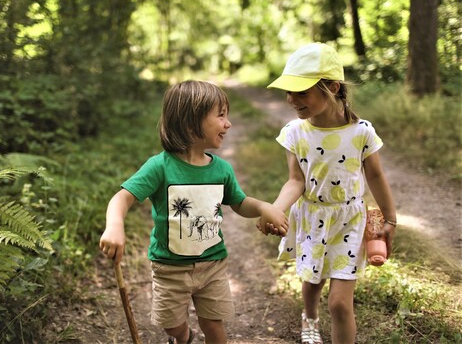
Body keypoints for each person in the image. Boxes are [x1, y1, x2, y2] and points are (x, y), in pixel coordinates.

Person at [99, 80, 288, 344]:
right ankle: (184, 337)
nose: (228, 123)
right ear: (190, 124)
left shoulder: (221, 169)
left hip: (212, 265)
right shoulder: (160, 167)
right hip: (170, 269)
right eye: (220, 115)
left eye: (228, 115)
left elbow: (238, 202)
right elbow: (122, 198)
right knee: (171, 326)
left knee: (214, 325)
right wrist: (114, 225)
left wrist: (263, 208)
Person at [263, 43, 397, 344]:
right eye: (289, 91)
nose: (291, 99)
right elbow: (295, 181)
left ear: (332, 87)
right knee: (312, 280)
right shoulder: (296, 132)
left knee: (339, 303)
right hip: (312, 217)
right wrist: (276, 209)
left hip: (349, 220)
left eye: (301, 92)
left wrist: (391, 218)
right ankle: (309, 317)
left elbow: (375, 175)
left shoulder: (361, 131)